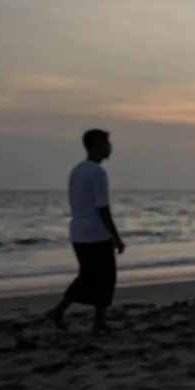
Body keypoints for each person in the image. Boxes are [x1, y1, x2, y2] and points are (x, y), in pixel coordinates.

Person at [47, 129, 124, 334]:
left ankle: (69, 313)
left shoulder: (77, 170)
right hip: (94, 233)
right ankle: (91, 319)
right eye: (107, 143)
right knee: (105, 277)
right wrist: (115, 236)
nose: (110, 148)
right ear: (97, 145)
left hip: (78, 231)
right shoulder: (97, 173)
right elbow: (102, 208)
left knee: (90, 275)